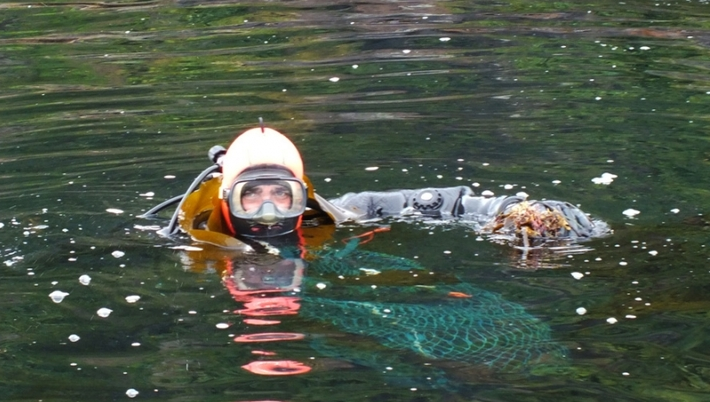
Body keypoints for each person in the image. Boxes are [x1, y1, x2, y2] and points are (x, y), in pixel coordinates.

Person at [145, 123, 609, 250]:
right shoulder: (183, 240)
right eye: (253, 196)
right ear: (226, 198)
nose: (269, 211)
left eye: (282, 195)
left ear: (303, 196)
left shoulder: (341, 213)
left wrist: (515, 209)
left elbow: (440, 203)